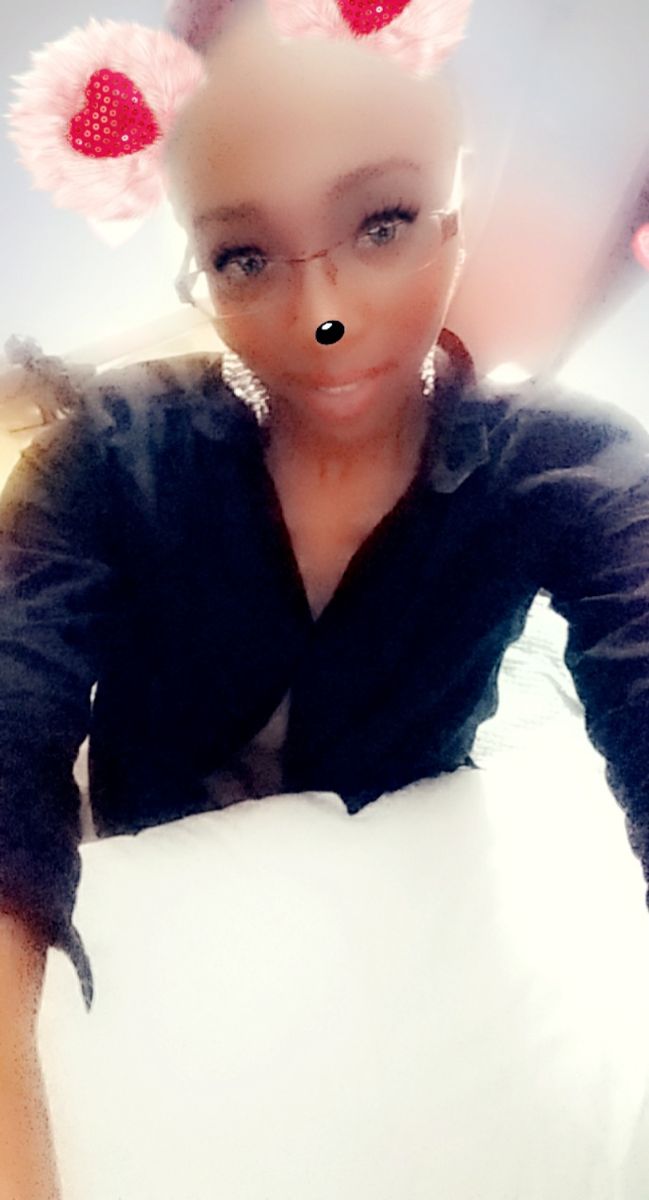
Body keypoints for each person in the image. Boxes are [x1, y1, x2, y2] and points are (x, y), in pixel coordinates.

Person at [1, 0, 649, 1194]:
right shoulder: (108, 452)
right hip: (155, 892)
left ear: (453, 214)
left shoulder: (568, 469)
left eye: (382, 222)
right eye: (246, 256)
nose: (325, 317)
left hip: (389, 898)